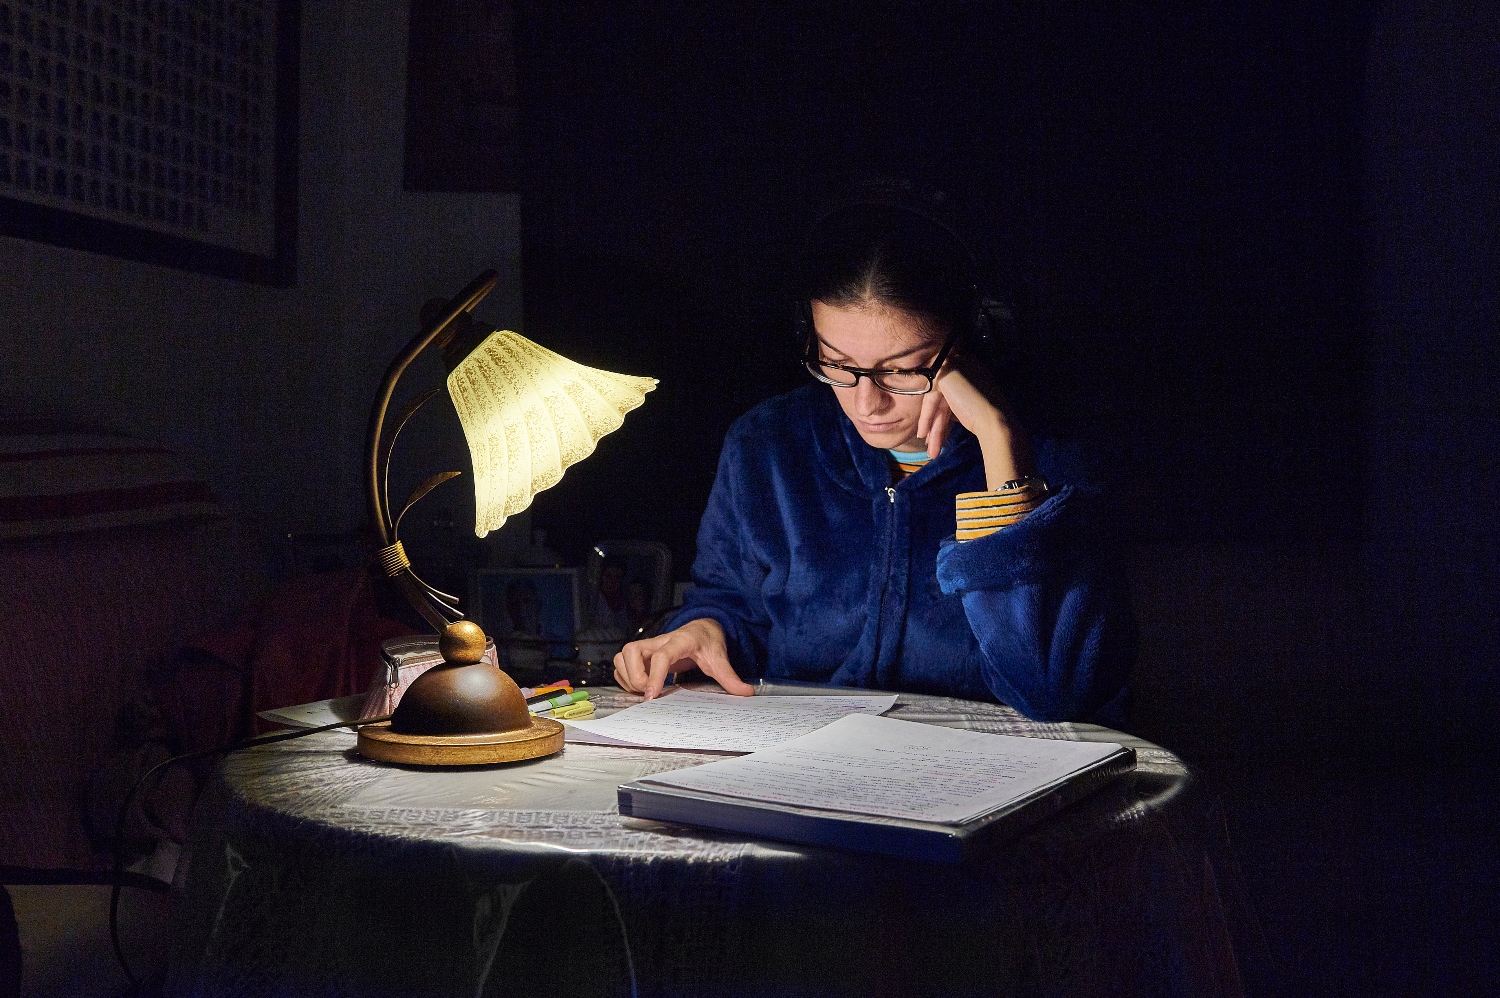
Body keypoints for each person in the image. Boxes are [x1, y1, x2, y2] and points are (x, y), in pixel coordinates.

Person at [613, 197, 1134, 723]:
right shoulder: (768, 445)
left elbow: (1054, 689)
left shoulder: (1056, 456)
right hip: (804, 764)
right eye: (838, 365)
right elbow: (733, 603)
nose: (868, 404)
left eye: (905, 369)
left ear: (976, 336)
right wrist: (704, 630)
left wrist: (1000, 445)